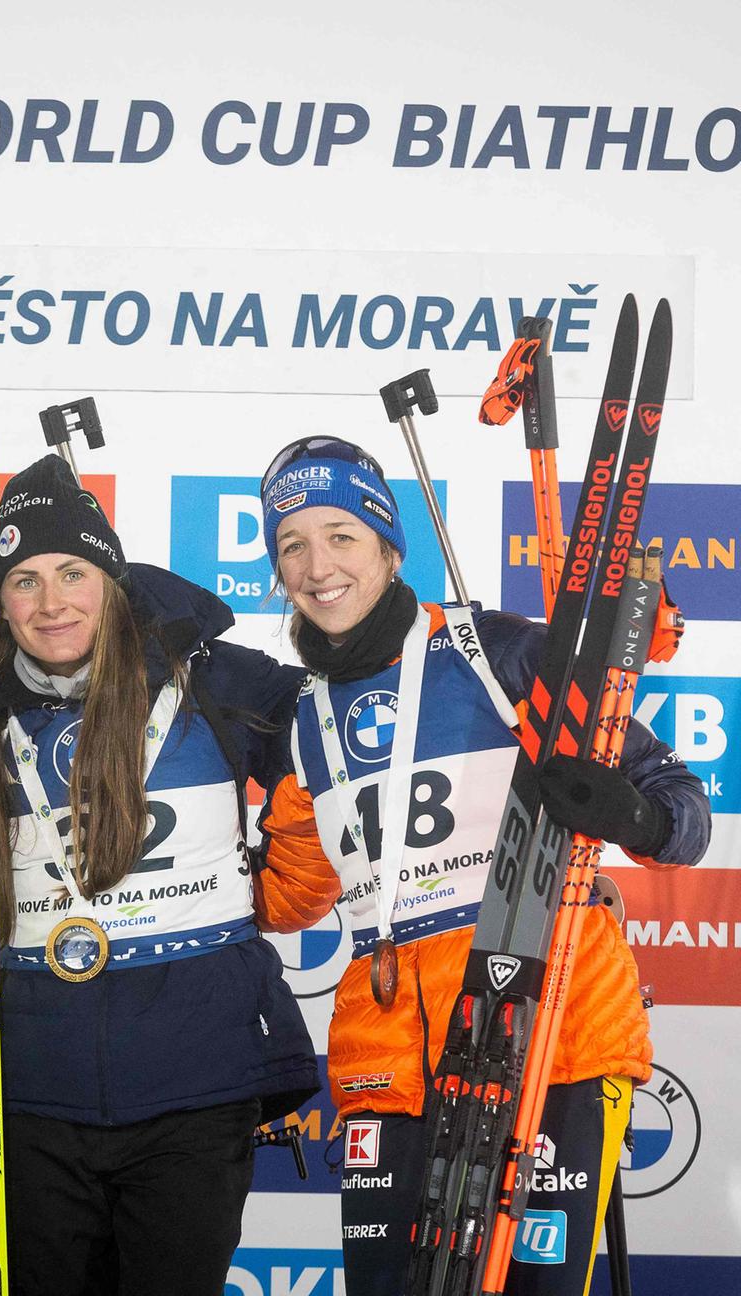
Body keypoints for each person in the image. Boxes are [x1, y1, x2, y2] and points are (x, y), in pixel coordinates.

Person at [250, 436, 711, 1296]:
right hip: (390, 1053)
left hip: (553, 1030)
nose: (317, 566)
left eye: (341, 536)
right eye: (292, 545)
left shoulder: (495, 654)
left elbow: (680, 809)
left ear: (390, 548)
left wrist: (632, 815)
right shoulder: (304, 719)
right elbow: (287, 898)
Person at [0, 454, 320, 1296]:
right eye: (24, 581)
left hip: (194, 1081)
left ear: (112, 582)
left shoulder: (213, 676)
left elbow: (356, 734)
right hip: (35, 1088)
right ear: (0, 602)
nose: (51, 603)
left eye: (73, 573)